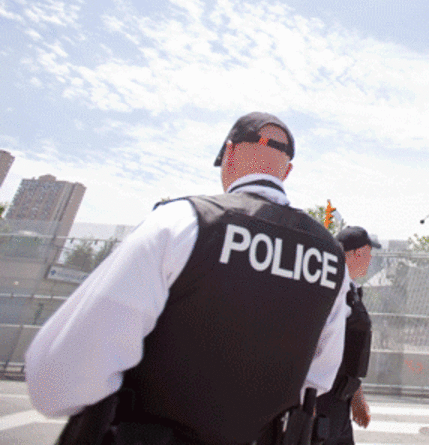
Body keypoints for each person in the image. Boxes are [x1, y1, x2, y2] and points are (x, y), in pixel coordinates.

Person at [26, 111, 351, 445]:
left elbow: (58, 378)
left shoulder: (183, 222)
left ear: (230, 153)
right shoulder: (331, 258)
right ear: (287, 170)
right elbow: (318, 378)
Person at [317, 226, 381, 445]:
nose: (371, 259)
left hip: (339, 399)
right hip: (323, 401)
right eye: (369, 253)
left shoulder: (349, 289)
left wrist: (355, 394)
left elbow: (347, 349)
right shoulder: (333, 289)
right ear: (358, 253)